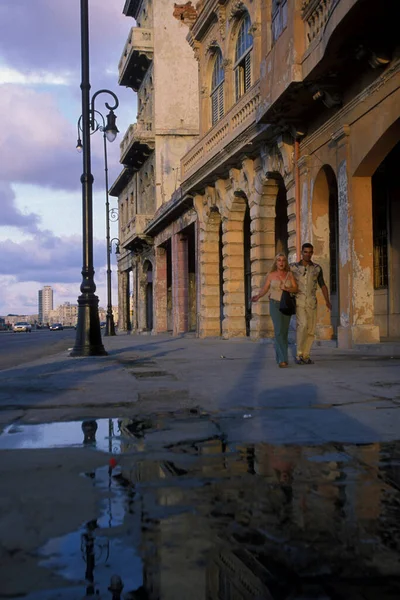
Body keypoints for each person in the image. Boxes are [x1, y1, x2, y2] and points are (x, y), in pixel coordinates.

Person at [252, 253, 298, 368]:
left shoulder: (290, 274)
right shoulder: (271, 275)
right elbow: (265, 289)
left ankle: (281, 357)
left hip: (286, 305)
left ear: (285, 262)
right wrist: (258, 296)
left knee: (284, 332)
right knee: (278, 331)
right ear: (276, 262)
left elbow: (296, 288)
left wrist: (287, 288)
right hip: (274, 304)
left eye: (283, 260)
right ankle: (282, 359)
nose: (281, 262)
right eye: (279, 260)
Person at [290, 243, 332, 365]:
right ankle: (299, 354)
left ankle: (306, 355)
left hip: (312, 301)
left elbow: (322, 284)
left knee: (311, 329)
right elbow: (284, 279)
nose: (307, 254)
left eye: (310, 252)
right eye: (305, 252)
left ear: (312, 253)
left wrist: (327, 300)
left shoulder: (317, 268)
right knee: (302, 325)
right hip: (299, 301)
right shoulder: (293, 267)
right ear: (302, 253)